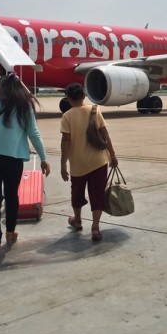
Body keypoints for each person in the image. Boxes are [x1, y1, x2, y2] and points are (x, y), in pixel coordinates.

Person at [0, 73, 50, 259]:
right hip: (14, 159)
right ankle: (10, 232)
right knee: (11, 196)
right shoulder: (26, 107)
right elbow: (34, 133)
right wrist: (43, 157)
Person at [60, 83, 118, 242]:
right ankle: (95, 227)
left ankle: (77, 221)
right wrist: (112, 155)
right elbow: (105, 135)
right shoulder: (95, 111)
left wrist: (63, 164)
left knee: (76, 193)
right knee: (97, 194)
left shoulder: (67, 116)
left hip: (78, 163)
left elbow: (66, 141)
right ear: (84, 96)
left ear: (68, 99)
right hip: (99, 161)